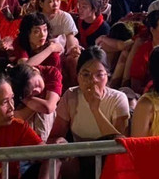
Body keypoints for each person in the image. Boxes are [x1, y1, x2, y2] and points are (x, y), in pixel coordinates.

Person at [51, 46, 130, 178]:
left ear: (107, 75)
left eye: (99, 74)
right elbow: (54, 137)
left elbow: (121, 143)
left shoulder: (118, 98)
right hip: (79, 160)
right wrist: (61, 142)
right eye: (86, 74)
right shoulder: (71, 96)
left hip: (109, 160)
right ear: (77, 76)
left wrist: (95, 109)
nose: (93, 80)